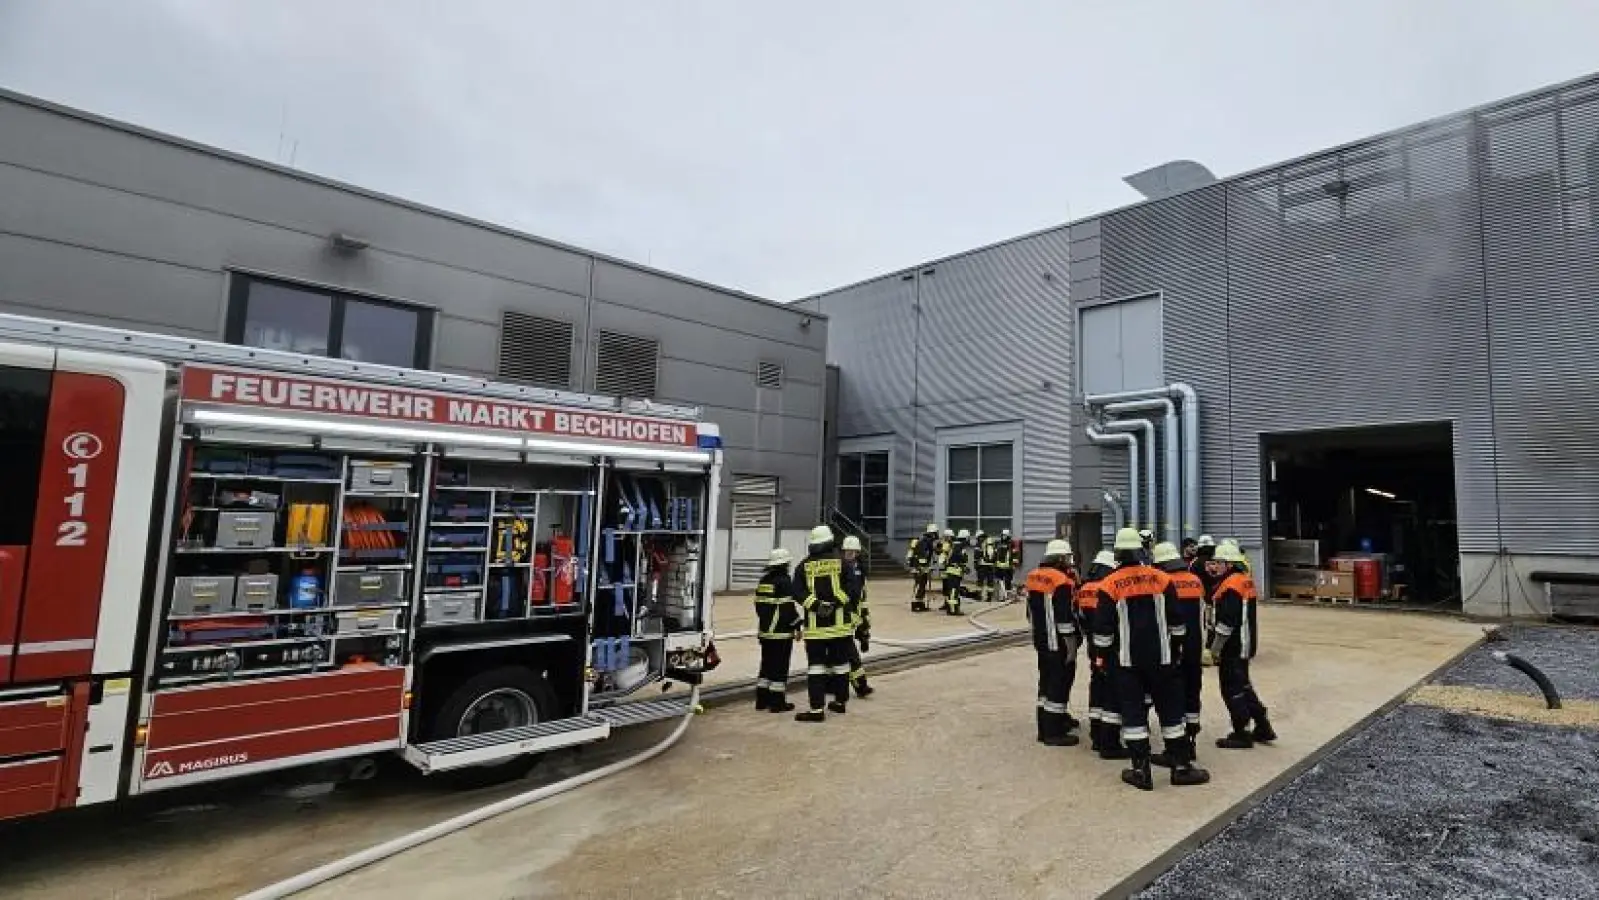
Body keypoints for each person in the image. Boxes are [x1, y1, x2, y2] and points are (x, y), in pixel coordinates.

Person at [1093, 528, 1210, 791]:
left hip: (1127, 663)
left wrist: (1102, 659)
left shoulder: (1109, 584)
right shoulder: (1162, 579)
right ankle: (1181, 767)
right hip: (1163, 659)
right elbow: (1177, 623)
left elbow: (1102, 632)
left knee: (1133, 712)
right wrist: (1176, 649)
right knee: (1171, 710)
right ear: (1141, 550)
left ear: (1118, 553)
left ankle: (1141, 771)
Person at [1209, 543, 1277, 748]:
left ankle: (1242, 733)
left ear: (1229, 564)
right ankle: (1263, 726)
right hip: (1245, 645)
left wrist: (1214, 649)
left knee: (1232, 689)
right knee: (1244, 686)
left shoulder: (1230, 586)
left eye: (1219, 563)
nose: (1215, 566)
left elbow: (1227, 622)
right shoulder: (1244, 581)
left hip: (1233, 646)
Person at [793, 525, 859, 722]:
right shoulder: (843, 563)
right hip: (840, 628)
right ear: (830, 541)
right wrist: (836, 602)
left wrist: (816, 605)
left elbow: (797, 592)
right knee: (841, 665)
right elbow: (853, 590)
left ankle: (816, 711)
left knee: (816, 668)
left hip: (816, 630)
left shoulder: (803, 566)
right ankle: (840, 703)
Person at [1152, 541, 1207, 757]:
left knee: (1172, 697)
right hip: (1194, 648)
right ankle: (1191, 741)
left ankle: (1176, 749)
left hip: (1173, 648)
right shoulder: (1196, 581)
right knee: (1192, 694)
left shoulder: (1163, 583)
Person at [1025, 540, 1080, 746]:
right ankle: (1052, 732)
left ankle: (1047, 723)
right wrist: (1071, 645)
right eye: (1067, 558)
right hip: (1058, 642)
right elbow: (1065, 618)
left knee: (1046, 682)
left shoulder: (1033, 576)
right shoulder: (1062, 581)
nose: (1070, 562)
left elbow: (1030, 613)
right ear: (1060, 558)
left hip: (1041, 640)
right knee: (1059, 683)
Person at [1076, 550, 1125, 759]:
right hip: (1111, 645)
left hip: (1092, 646)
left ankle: (1096, 730)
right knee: (1112, 689)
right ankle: (1108, 738)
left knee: (1097, 683)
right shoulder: (1109, 588)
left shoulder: (1084, 589)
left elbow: (1079, 618)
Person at [753, 548, 800, 712]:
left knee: (766, 666)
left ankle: (761, 700)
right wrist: (797, 625)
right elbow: (788, 608)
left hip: (765, 632)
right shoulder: (784, 581)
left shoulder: (764, 581)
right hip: (780, 633)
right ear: (784, 564)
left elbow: (759, 607)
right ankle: (777, 703)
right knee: (780, 668)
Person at [840, 534, 876, 698]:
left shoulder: (859, 569)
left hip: (853, 615)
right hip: (843, 617)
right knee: (848, 653)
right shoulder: (841, 568)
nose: (850, 555)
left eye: (852, 552)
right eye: (847, 552)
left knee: (845, 653)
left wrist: (864, 630)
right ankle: (860, 686)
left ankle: (859, 685)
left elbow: (862, 598)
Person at [907, 523, 939, 612]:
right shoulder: (924, 542)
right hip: (919, 568)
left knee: (922, 585)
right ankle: (916, 605)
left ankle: (920, 604)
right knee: (919, 585)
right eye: (936, 533)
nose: (937, 535)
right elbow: (922, 557)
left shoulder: (926, 541)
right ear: (932, 533)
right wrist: (924, 568)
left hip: (919, 567)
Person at [941, 529, 972, 616]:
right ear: (966, 538)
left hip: (954, 571)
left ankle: (951, 608)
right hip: (954, 572)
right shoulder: (959, 546)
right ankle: (953, 610)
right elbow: (959, 559)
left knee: (953, 591)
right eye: (968, 538)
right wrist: (963, 567)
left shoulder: (955, 545)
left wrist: (964, 567)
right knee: (954, 591)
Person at [974, 530, 997, 603]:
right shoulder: (991, 542)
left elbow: (977, 555)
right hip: (991, 565)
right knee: (990, 581)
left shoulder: (979, 543)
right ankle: (989, 597)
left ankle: (978, 596)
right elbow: (996, 553)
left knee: (980, 581)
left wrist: (976, 563)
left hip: (982, 565)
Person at [995, 529, 1018, 599]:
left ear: (1008, 536)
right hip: (999, 566)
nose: (1003, 536)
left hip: (1008, 566)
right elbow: (996, 554)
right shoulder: (998, 543)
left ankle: (1007, 595)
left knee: (1008, 581)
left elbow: (1014, 554)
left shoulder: (1011, 543)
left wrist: (1014, 565)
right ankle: (1001, 595)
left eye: (1005, 535)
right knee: (1000, 580)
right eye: (1002, 535)